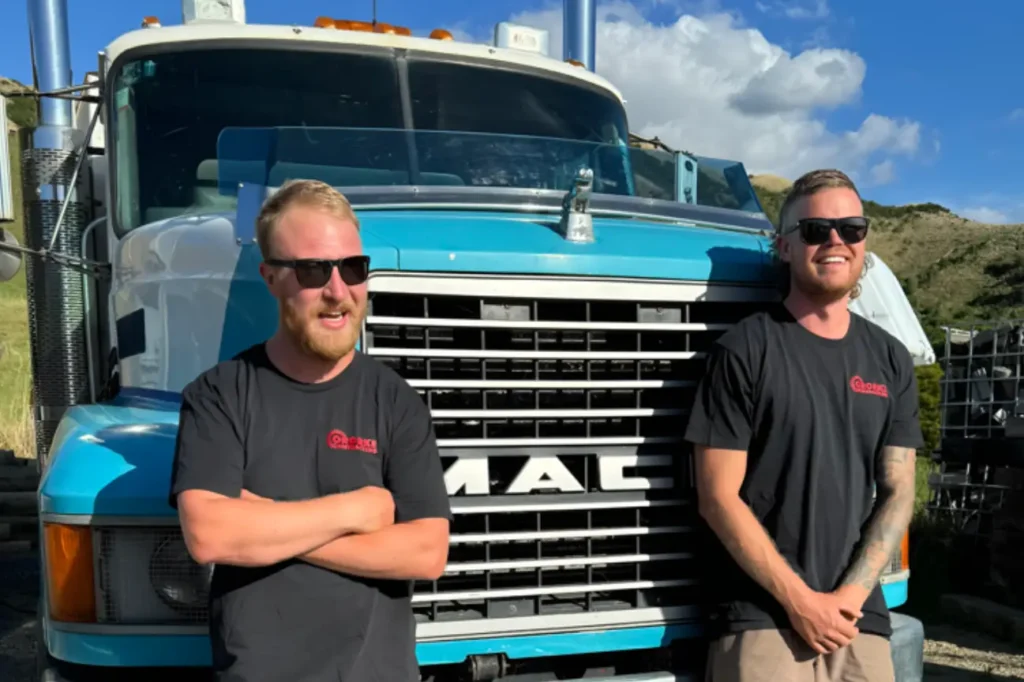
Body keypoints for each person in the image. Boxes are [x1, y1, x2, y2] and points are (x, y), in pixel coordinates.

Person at [168, 179, 452, 682]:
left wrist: (266, 522)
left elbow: (426, 552)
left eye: (353, 268)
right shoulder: (220, 395)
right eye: (313, 270)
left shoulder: (396, 402)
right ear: (271, 277)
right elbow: (210, 534)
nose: (338, 292)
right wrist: (358, 509)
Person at [685, 169, 923, 681]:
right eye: (815, 230)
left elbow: (899, 490)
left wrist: (848, 597)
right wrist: (800, 602)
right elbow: (717, 496)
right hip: (761, 618)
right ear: (785, 247)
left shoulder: (890, 359)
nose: (835, 240)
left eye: (851, 228)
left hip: (859, 620)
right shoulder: (745, 349)